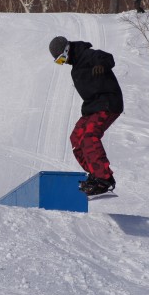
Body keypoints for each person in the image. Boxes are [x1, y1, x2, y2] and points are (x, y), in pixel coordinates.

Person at [49, 36, 124, 196]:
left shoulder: (87, 55)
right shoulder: (75, 68)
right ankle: (95, 175)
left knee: (90, 136)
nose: (63, 63)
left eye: (62, 59)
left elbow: (107, 58)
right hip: (92, 108)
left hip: (108, 102)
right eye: (59, 62)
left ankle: (105, 179)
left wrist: (100, 64)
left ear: (67, 50)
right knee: (76, 139)